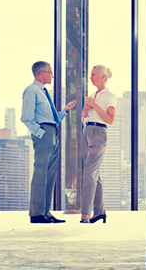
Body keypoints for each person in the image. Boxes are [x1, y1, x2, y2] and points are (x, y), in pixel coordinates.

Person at [20, 61, 77, 224]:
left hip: (53, 131)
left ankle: (45, 212)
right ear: (42, 73)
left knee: (50, 174)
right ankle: (36, 214)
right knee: (40, 173)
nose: (52, 75)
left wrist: (65, 110)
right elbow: (26, 117)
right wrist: (40, 133)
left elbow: (51, 118)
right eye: (50, 73)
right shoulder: (32, 90)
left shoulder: (43, 92)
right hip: (44, 133)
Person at [79, 65, 116, 224]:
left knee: (88, 173)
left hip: (99, 133)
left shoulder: (110, 96)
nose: (91, 77)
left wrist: (93, 105)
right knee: (94, 174)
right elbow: (84, 117)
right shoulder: (92, 95)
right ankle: (100, 212)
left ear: (102, 77)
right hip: (87, 131)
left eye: (93, 75)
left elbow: (110, 119)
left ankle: (85, 214)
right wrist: (86, 111)